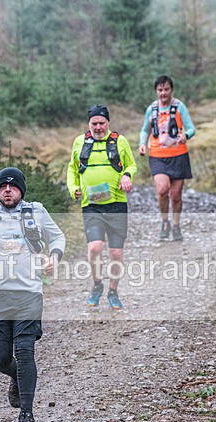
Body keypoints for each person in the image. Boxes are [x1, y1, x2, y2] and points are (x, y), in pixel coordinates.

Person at [0, 167, 65, 422]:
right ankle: (16, 377)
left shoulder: (36, 211)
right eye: (2, 187)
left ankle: (26, 415)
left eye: (13, 187)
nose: (7, 190)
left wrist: (54, 257)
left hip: (28, 292)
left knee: (24, 351)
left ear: (21, 190)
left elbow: (57, 237)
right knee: (0, 358)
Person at [67, 104, 137, 310]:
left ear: (108, 123)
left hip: (116, 204)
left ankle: (113, 292)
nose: (98, 127)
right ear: (88, 124)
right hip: (92, 206)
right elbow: (72, 169)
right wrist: (73, 188)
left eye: (101, 123)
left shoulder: (119, 141)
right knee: (95, 247)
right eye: (94, 123)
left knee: (115, 253)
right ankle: (97, 284)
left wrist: (126, 175)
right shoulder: (80, 142)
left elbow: (131, 165)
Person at [138, 75, 196, 241]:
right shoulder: (152, 109)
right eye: (160, 90)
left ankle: (176, 224)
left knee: (176, 195)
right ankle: (165, 221)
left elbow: (191, 128)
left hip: (178, 155)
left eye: (166, 89)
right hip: (157, 156)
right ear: (156, 91)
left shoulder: (179, 107)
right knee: (162, 190)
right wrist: (143, 143)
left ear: (171, 90)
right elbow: (144, 129)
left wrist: (185, 135)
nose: (163, 93)